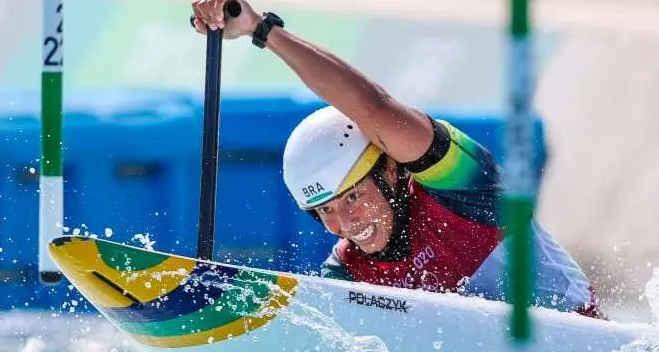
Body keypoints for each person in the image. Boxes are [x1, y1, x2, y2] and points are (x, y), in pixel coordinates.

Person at [190, 0, 606, 319]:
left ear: (390, 169)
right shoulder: (349, 273)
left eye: (352, 197)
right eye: (325, 210)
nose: (343, 224)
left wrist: (261, 29)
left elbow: (373, 108)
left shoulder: (463, 190)